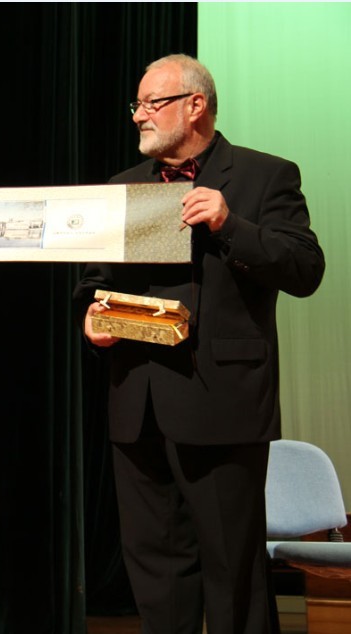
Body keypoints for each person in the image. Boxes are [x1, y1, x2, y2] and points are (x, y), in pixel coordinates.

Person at [73, 54, 325, 634]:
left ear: (195, 105)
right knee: (156, 572)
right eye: (136, 104)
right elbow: (94, 279)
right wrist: (90, 315)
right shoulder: (122, 186)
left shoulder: (265, 175)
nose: (138, 115)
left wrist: (231, 224)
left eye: (151, 103)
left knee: (233, 572)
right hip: (138, 403)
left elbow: (305, 270)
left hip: (222, 403)